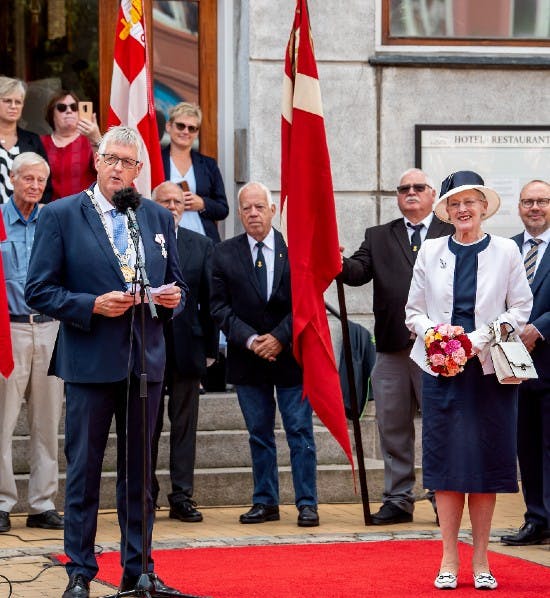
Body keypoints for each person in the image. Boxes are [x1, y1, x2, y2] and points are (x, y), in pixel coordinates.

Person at [24, 126, 187, 598]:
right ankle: (79, 570)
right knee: (84, 472)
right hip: (89, 362)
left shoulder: (154, 216)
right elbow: (39, 290)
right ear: (97, 161)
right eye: (112, 159)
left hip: (144, 364)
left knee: (141, 476)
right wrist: (91, 304)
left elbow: (175, 280)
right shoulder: (60, 215)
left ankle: (139, 571)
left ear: (139, 171)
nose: (119, 169)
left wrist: (174, 296)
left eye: (129, 163)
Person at [405, 170, 533, 590]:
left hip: (488, 372)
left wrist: (472, 341)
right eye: (455, 203)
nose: (463, 209)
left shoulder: (506, 252)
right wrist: (438, 337)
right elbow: (414, 311)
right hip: (441, 371)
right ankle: (447, 558)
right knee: (445, 467)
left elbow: (520, 309)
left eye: (470, 202)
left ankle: (481, 559)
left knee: (484, 465)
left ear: (483, 208)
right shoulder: (430, 250)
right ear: (445, 210)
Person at [339, 168, 453, 524]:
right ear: (397, 197)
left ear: (433, 195)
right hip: (391, 349)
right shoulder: (378, 236)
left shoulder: (450, 232)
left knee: (439, 426)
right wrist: (335, 259)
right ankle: (398, 498)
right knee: (392, 427)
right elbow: (356, 273)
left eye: (419, 187)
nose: (411, 193)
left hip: (436, 348)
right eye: (404, 189)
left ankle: (442, 498)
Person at [210, 181, 319, 527]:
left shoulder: (296, 249)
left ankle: (307, 502)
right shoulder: (224, 253)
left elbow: (308, 300)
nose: (254, 214)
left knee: (299, 431)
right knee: (259, 432)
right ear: (239, 213)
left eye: (260, 207)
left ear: (273, 211)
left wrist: (279, 337)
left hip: (291, 357)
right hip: (248, 358)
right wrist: (253, 339)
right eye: (247, 208)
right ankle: (265, 501)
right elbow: (218, 307)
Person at [0, 153, 64, 534]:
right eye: (28, 179)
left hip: (49, 328)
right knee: (2, 422)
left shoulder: (53, 222)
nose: (35, 186)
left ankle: (42, 504)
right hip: (8, 331)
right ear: (12, 178)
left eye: (41, 180)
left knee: (47, 421)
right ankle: (2, 502)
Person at [150, 181, 218, 522]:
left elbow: (210, 300)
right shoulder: (137, 243)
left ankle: (182, 496)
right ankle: (145, 493)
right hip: (146, 346)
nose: (173, 207)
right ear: (153, 204)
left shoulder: (201, 244)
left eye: (178, 201)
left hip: (188, 347)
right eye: (166, 201)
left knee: (184, 426)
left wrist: (210, 348)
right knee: (146, 424)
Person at [501, 180, 550, 547]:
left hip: (549, 357)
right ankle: (536, 519)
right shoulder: (507, 250)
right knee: (527, 446)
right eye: (528, 201)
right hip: (514, 364)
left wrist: (539, 329)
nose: (535, 207)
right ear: (518, 207)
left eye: (542, 201)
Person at [161, 102, 228, 243]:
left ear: (196, 133)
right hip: (165, 239)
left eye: (192, 128)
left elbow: (223, 208)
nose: (186, 131)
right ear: (169, 126)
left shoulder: (208, 165)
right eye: (180, 126)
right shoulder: (156, 162)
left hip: (203, 240)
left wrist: (203, 204)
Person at [41, 89, 101, 200]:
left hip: (84, 211)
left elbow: (104, 171)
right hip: (51, 211)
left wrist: (96, 139)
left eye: (74, 107)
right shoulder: (40, 142)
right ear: (52, 114)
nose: (69, 111)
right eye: (62, 108)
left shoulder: (89, 141)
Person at [0, 76, 51, 204]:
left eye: (18, 102)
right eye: (7, 101)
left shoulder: (32, 141)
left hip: (26, 219)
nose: (13, 106)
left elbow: (45, 182)